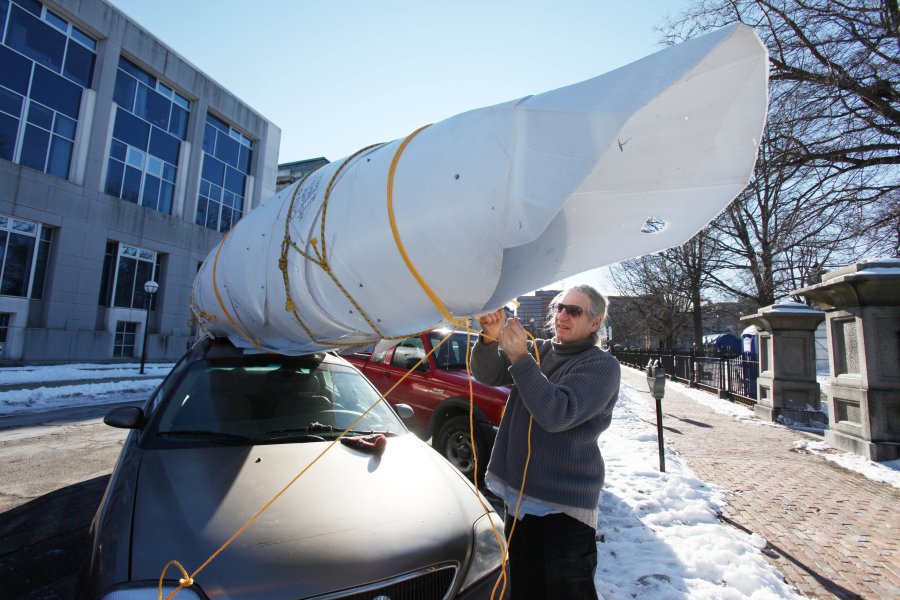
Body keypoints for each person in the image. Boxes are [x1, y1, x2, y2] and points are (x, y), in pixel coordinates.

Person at [471, 285, 620, 600]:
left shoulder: (601, 366)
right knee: (525, 587)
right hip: (520, 499)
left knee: (566, 592)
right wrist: (491, 336)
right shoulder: (541, 349)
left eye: (574, 311)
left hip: (562, 509)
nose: (563, 315)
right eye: (561, 308)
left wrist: (519, 357)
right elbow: (486, 373)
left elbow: (557, 413)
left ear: (595, 323)